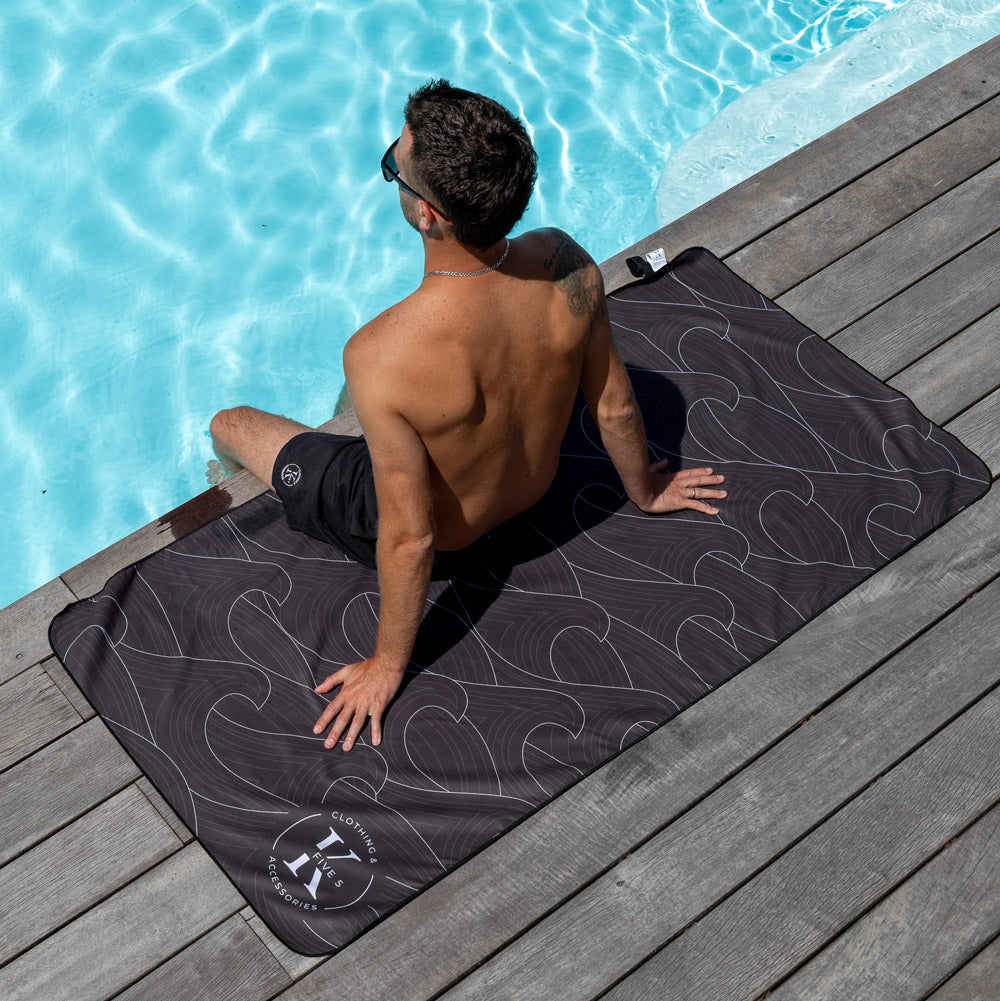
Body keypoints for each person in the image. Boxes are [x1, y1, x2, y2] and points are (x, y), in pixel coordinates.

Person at [209, 80, 726, 753]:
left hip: (444, 536)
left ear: (428, 215)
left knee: (232, 424)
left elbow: (410, 538)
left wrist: (386, 666)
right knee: (372, 412)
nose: (392, 166)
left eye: (394, 165)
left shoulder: (379, 354)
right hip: (532, 495)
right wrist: (647, 492)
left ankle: (227, 479)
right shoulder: (565, 262)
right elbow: (615, 403)